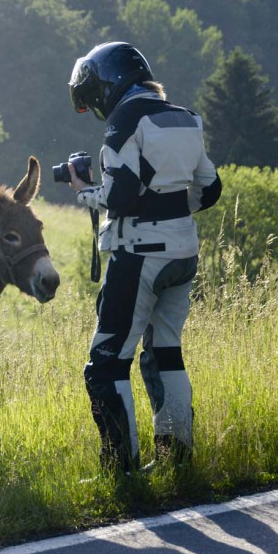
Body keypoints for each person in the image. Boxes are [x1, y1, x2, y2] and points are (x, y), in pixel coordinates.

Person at [66, 41, 222, 473]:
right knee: (164, 354)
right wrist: (169, 213)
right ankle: (176, 464)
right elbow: (209, 189)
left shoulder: (123, 119)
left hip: (140, 254)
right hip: (183, 252)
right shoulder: (185, 117)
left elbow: (119, 194)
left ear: (109, 85)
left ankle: (122, 472)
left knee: (106, 365)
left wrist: (82, 190)